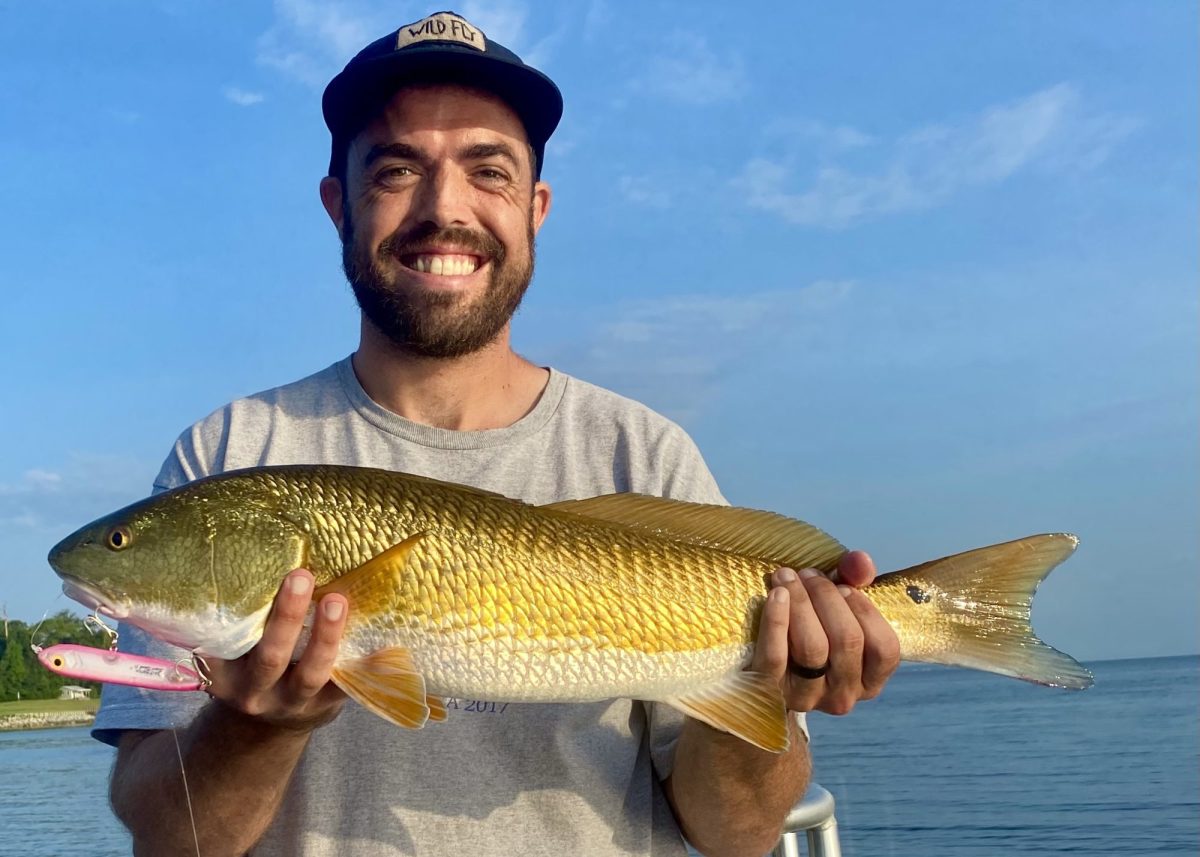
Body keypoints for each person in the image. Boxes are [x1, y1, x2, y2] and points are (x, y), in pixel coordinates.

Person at [92, 11, 900, 857]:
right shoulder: (229, 453)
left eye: (489, 170)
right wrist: (254, 727)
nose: (445, 207)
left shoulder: (646, 453)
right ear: (338, 203)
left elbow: (735, 835)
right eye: (397, 168)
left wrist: (772, 684)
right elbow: (168, 837)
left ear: (535, 207)